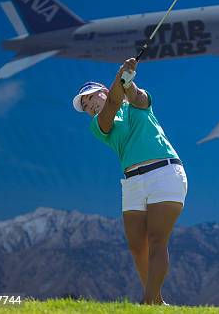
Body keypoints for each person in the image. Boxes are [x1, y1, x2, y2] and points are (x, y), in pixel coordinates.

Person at [72, 58, 187, 305]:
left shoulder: (140, 106)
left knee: (157, 240)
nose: (88, 107)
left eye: (90, 99)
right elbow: (113, 103)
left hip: (164, 173)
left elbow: (135, 97)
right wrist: (119, 77)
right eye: (85, 106)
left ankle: (148, 303)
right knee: (137, 246)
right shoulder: (98, 125)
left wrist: (127, 79)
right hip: (132, 182)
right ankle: (156, 303)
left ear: (102, 91)